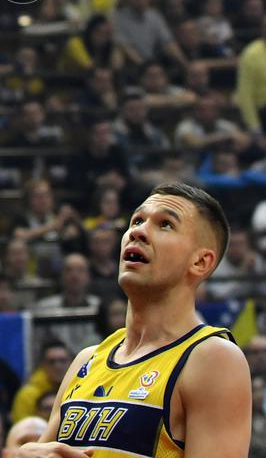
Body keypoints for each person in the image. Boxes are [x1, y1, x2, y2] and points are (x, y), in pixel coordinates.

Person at [18, 182, 251, 456]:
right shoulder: (86, 361)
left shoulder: (212, 358)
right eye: (137, 220)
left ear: (200, 262)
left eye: (165, 224)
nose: (138, 231)